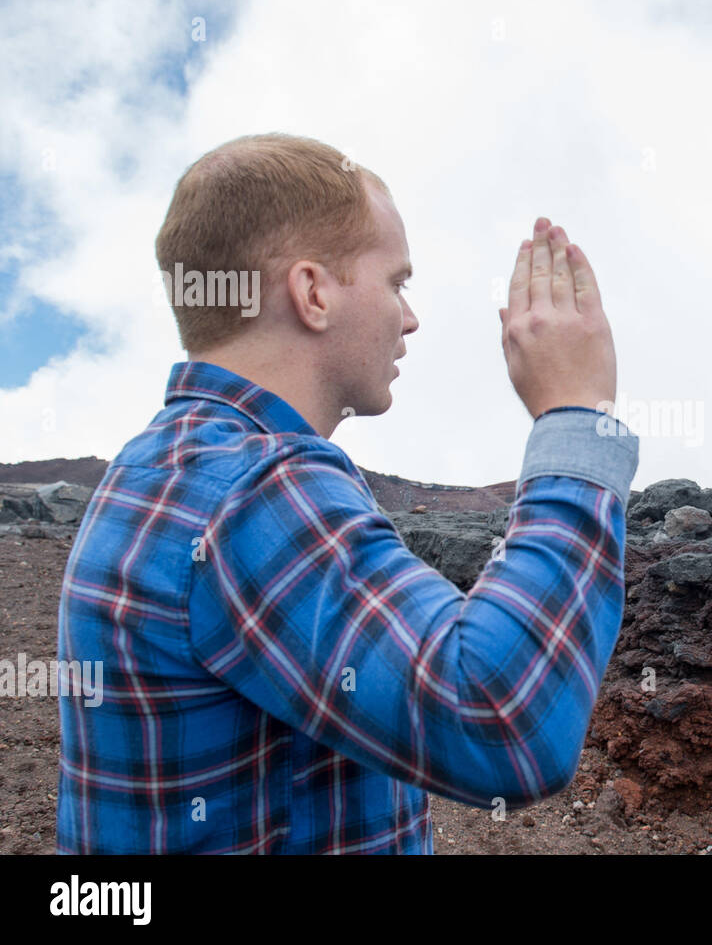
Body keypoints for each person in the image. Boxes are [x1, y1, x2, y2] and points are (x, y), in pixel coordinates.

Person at [56, 133, 637, 854]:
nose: (411, 316)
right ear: (313, 292)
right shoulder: (255, 488)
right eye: (396, 282)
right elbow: (504, 720)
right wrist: (575, 414)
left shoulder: (159, 464)